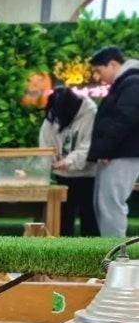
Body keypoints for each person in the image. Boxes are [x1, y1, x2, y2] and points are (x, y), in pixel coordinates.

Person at [87, 46, 139, 238]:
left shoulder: (133, 82)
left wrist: (106, 149)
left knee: (111, 206)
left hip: (122, 154)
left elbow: (124, 119)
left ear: (113, 64)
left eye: (99, 71)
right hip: (117, 152)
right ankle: (111, 255)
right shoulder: (126, 83)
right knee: (105, 206)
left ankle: (116, 258)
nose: (99, 77)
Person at [38, 86, 98, 237]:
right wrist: (48, 161)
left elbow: (89, 145)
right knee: (63, 216)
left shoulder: (90, 112)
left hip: (87, 174)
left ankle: (91, 252)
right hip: (62, 175)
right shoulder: (53, 112)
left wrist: (68, 161)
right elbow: (45, 142)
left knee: (89, 216)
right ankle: (64, 252)